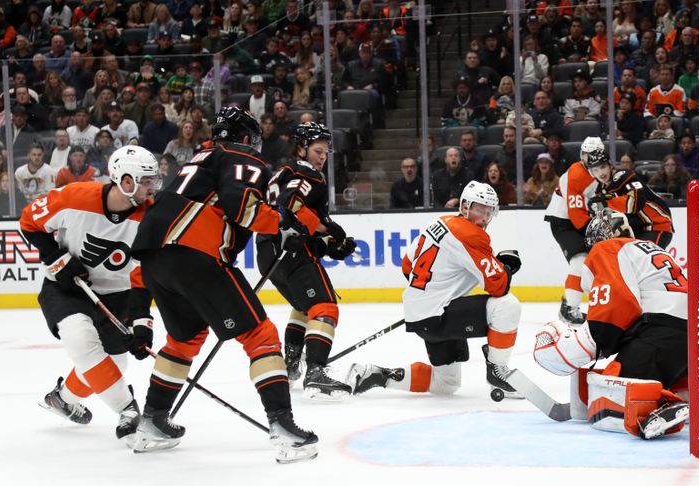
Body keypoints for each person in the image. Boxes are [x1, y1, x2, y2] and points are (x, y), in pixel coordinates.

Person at [129, 107, 317, 461]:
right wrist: (281, 223)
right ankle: (283, 425)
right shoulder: (240, 155)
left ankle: (152, 421)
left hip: (155, 258)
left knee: (185, 339)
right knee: (260, 335)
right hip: (195, 252)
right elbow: (242, 205)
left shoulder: (196, 160)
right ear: (246, 138)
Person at [19, 146, 160, 445]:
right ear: (125, 180)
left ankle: (62, 399)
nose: (153, 187)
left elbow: (141, 277)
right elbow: (29, 222)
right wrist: (55, 255)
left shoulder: (151, 218)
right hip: (67, 289)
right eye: (146, 180)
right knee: (81, 340)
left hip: (119, 296)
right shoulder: (74, 197)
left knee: (114, 365)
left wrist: (141, 324)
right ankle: (128, 410)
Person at [346, 181, 523, 400]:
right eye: (480, 210)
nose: (484, 218)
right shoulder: (472, 235)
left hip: (422, 316)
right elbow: (498, 286)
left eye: (489, 212)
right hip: (439, 316)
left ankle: (375, 375)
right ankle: (498, 371)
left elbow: (407, 266)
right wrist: (506, 268)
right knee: (507, 306)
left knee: (446, 383)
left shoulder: (439, 222)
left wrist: (430, 294)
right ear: (465, 206)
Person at [533, 208, 689, 440]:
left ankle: (661, 404)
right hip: (697, 339)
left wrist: (574, 348)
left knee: (615, 394)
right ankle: (693, 394)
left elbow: (618, 306)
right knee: (645, 364)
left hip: (661, 335)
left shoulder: (607, 248)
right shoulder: (647, 249)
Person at [255, 122, 357, 401]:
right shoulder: (306, 172)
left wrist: (327, 242)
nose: (322, 157)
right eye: (317, 150)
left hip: (267, 252)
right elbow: (290, 205)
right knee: (325, 306)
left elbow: (289, 217)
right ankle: (315, 371)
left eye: (325, 152)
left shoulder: (282, 173)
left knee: (304, 306)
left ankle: (290, 364)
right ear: (301, 149)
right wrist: (324, 228)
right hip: (288, 250)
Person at [544, 136, 604, 324]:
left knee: (589, 263)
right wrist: (592, 231)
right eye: (585, 154)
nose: (588, 159)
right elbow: (575, 211)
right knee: (580, 260)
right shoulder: (576, 174)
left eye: (593, 155)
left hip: (581, 219)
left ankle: (570, 303)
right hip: (563, 221)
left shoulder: (600, 171)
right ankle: (570, 307)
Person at [585, 149, 674, 247]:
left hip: (657, 226)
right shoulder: (600, 190)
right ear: (591, 173)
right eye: (595, 170)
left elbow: (636, 202)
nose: (601, 173)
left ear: (610, 166)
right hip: (637, 230)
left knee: (641, 258)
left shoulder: (625, 177)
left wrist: (606, 204)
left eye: (603, 167)